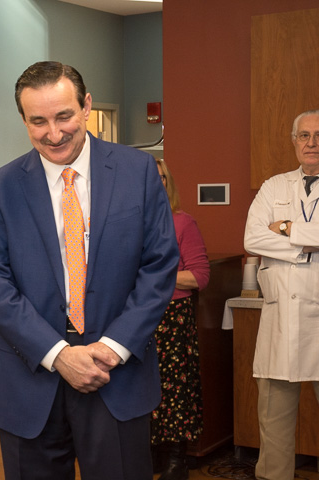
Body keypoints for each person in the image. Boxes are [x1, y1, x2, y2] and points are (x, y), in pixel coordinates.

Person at [0, 61, 179, 479]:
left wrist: (113, 347)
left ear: (86, 106)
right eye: (38, 121)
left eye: (64, 116)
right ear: (24, 120)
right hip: (29, 380)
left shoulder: (138, 172)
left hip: (115, 376)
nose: (53, 133)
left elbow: (159, 265)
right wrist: (58, 354)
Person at [244, 109, 319, 480]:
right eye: (304, 135)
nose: (312, 143)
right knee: (273, 427)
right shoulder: (273, 187)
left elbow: (270, 236)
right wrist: (306, 246)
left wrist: (286, 228)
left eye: (318, 136)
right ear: (294, 141)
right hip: (280, 324)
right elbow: (253, 238)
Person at [151, 159, 210, 480]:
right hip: (137, 317)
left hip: (173, 318)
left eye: (161, 178)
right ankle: (153, 456)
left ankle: (176, 461)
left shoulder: (183, 223)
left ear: (168, 183)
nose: (155, 183)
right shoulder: (128, 223)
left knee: (174, 390)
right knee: (142, 388)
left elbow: (200, 277)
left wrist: (155, 277)